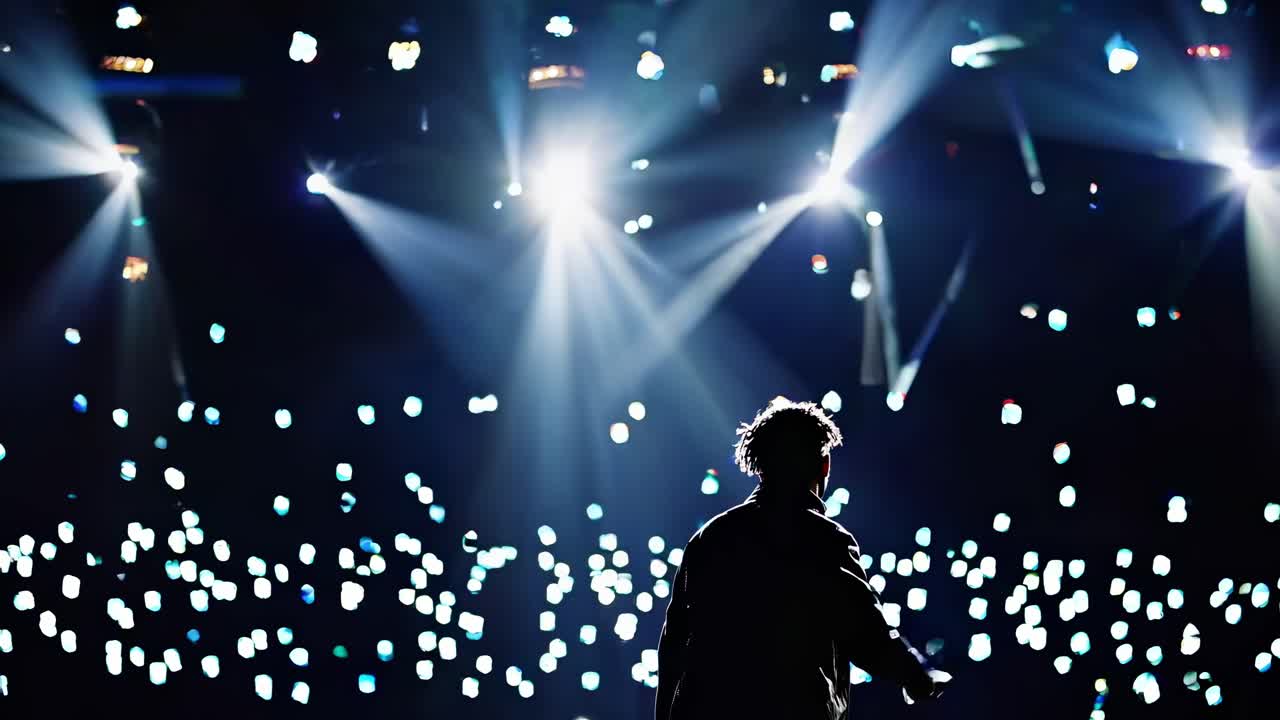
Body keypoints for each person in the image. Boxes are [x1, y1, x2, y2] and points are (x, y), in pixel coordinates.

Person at [656, 397, 950, 720]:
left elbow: (673, 648)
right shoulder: (824, 539)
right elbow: (865, 631)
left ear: (762, 464)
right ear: (823, 464)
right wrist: (916, 675)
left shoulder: (708, 539)